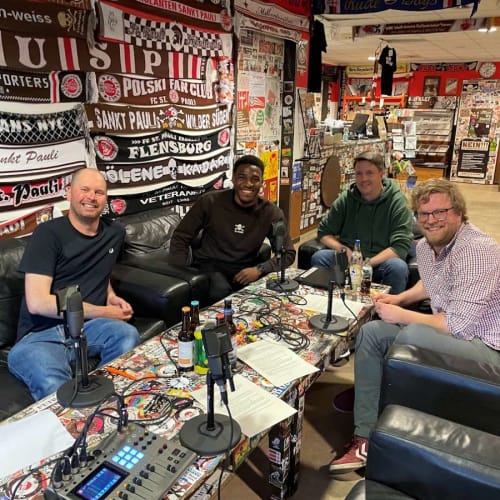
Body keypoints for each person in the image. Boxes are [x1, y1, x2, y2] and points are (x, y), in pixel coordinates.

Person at [328, 178, 500, 474]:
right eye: (423, 214)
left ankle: (380, 402)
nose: (431, 220)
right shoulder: (426, 246)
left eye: (440, 212)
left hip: (486, 346)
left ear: (459, 213)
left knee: (412, 332)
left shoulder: (476, 250)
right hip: (455, 332)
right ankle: (365, 431)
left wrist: (401, 314)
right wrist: (399, 298)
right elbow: (431, 284)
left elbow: (458, 326)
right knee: (371, 332)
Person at [8, 168, 140, 401]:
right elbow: (38, 303)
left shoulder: (114, 232)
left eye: (99, 192)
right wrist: (105, 311)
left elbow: (100, 271)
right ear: (68, 192)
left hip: (89, 328)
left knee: (127, 336)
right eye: (84, 189)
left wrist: (111, 296)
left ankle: (108, 401)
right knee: (56, 387)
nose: (91, 197)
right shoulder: (47, 234)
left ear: (106, 198)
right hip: (41, 334)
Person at [168, 155, 296, 304]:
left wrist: (259, 269)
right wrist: (181, 274)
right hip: (209, 266)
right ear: (233, 179)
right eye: (242, 177)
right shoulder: (210, 202)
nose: (248, 184)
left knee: (268, 298)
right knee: (222, 294)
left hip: (244, 269)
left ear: (262, 182)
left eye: (255, 179)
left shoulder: (271, 213)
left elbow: (288, 253)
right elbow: (180, 237)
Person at [311, 151, 413, 294]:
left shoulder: (397, 202)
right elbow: (323, 232)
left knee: (398, 267)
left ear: (381, 174)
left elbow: (399, 248)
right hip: (349, 260)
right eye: (359, 173)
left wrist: (366, 264)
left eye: (369, 173)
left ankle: (387, 308)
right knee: (320, 257)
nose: (363, 179)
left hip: (380, 263)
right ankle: (330, 302)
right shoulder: (346, 199)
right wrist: (343, 250)